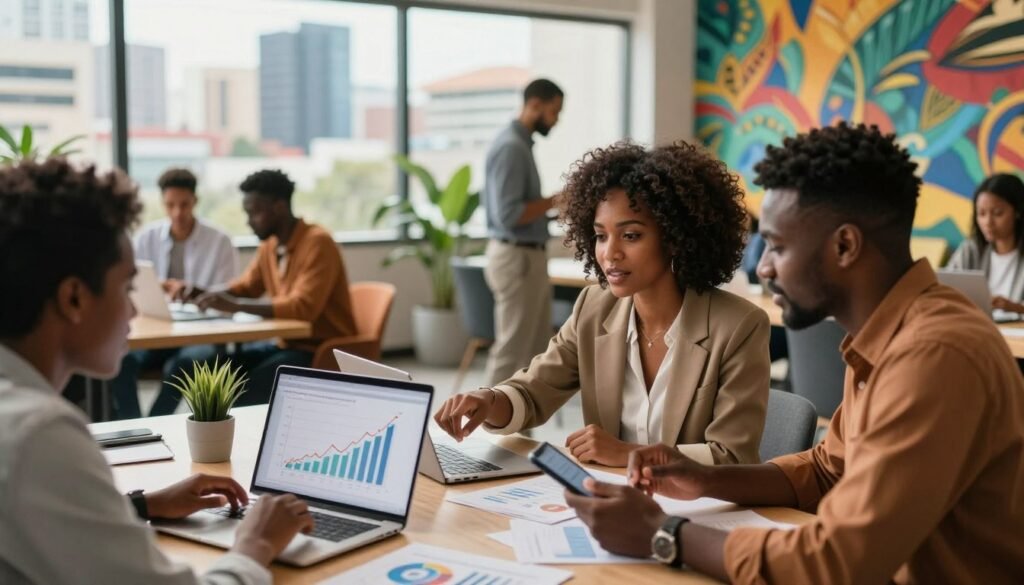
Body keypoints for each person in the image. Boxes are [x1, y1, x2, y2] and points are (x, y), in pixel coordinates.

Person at [564, 123, 1024, 583]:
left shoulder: (934, 355)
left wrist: (662, 533)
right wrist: (703, 478)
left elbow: (840, 562)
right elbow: (827, 471)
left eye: (778, 247)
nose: (763, 267)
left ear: (845, 245)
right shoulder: (889, 335)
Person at [0, 158, 314, 584]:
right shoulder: (40, 436)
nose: (133, 309)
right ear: (74, 298)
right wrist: (256, 543)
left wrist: (141, 505)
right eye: (127, 286)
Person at [435, 141, 770, 466]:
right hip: (609, 503)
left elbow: (733, 457)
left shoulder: (739, 326)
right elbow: (534, 391)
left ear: (675, 238)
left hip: (693, 511)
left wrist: (628, 454)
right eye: (600, 235)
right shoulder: (594, 308)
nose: (610, 253)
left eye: (631, 235)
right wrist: (489, 400)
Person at [153, 169, 356, 414]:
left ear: (279, 207)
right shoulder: (269, 246)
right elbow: (245, 287)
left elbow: (303, 308)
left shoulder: (318, 243)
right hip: (286, 345)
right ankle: (147, 430)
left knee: (240, 389)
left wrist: (235, 305)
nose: (249, 221)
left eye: (254, 213)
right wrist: (202, 292)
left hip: (319, 350)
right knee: (189, 366)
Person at [110, 167, 240, 418]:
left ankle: (156, 422)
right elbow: (132, 285)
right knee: (123, 358)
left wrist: (192, 293)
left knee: (186, 364)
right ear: (162, 203)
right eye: (170, 205)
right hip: (157, 328)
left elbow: (227, 294)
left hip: (202, 333)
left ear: (196, 201)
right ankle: (133, 424)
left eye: (184, 204)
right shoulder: (146, 237)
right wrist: (160, 286)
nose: (177, 213)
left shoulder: (220, 241)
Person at [483, 78, 564, 386]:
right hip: (517, 258)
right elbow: (509, 214)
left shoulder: (519, 144)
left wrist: (550, 210)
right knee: (511, 351)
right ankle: (489, 430)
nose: (556, 120)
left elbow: (520, 210)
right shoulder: (511, 148)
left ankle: (515, 429)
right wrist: (555, 199)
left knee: (531, 353)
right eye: (554, 111)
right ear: (535, 105)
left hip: (525, 255)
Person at [947, 173, 1024, 313]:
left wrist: (1016, 308)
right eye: (981, 214)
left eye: (998, 213)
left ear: (1018, 211)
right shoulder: (970, 251)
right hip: (977, 328)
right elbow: (945, 292)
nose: (988, 222)